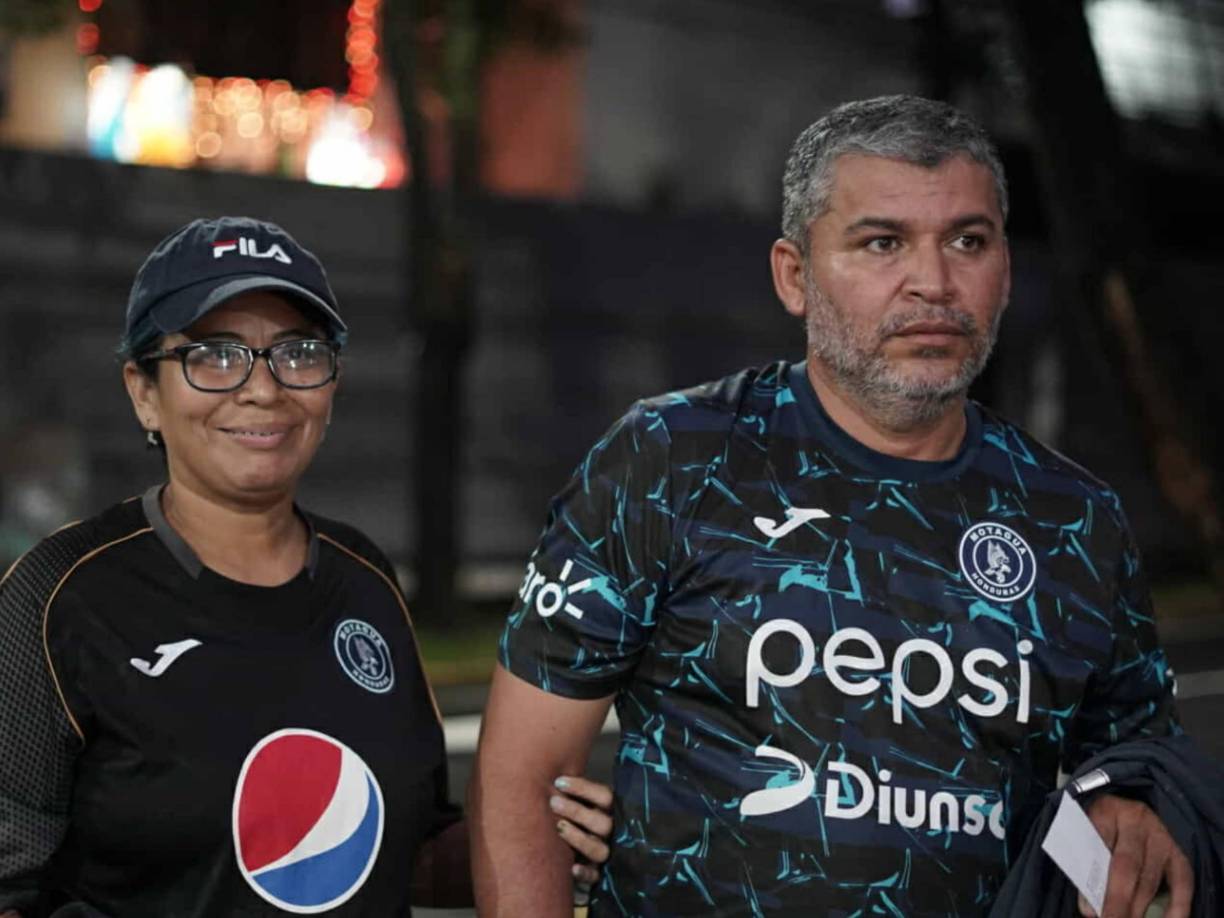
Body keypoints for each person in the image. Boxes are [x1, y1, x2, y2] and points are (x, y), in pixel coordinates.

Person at [469, 96, 1192, 917]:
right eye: (883, 242)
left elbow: (1137, 766)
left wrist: (1131, 804)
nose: (934, 282)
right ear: (795, 276)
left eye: (968, 241)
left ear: (1006, 268)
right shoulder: (673, 457)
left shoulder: (1077, 518)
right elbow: (522, 778)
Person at [0, 216, 610, 917]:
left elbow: (401, 854)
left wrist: (551, 838)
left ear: (332, 383)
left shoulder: (365, 580)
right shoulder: (61, 596)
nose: (264, 389)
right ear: (143, 391)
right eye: (214, 355)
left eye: (298, 353)